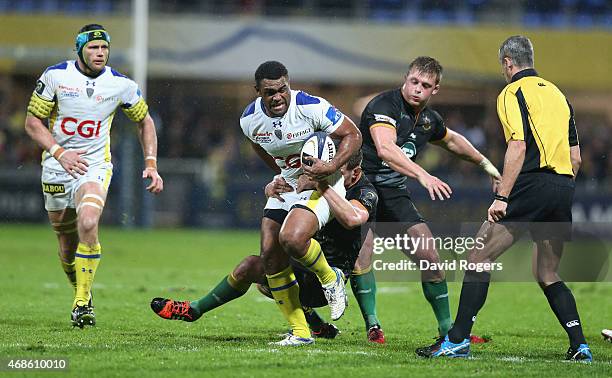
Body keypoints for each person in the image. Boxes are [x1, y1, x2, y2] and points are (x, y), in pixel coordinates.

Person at [416, 36, 592, 361]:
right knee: (548, 273)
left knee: (478, 256)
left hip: (531, 184)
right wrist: (558, 190)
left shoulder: (512, 92)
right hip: (564, 186)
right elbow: (576, 157)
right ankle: (579, 345)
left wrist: (502, 197)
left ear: (508, 63)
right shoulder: (558, 94)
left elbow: (518, 146)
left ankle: (457, 340)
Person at [150, 151, 385, 343]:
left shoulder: (364, 193)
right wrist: (273, 189)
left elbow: (353, 218)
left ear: (355, 173)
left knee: (278, 272)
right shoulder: (322, 178)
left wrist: (323, 186)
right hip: (303, 264)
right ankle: (194, 310)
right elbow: (291, 195)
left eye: (336, 172)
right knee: (253, 266)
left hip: (326, 282)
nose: (328, 174)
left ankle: (352, 321)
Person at [24, 24, 163, 328]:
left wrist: (150, 163)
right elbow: (33, 123)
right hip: (57, 165)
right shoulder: (55, 76)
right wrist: (61, 153)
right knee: (65, 241)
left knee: (89, 221)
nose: (100, 53)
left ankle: (81, 302)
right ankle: (81, 292)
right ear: (80, 49)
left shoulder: (121, 84)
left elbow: (144, 121)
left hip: (94, 165)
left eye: (104, 48)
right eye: (93, 48)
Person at [358, 56, 501, 337]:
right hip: (360, 189)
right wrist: (422, 175)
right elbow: (385, 148)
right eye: (413, 81)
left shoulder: (427, 120)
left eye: (425, 85)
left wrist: (487, 165)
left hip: (393, 194)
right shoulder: (383, 106)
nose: (417, 89)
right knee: (363, 255)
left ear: (435, 90)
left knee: (430, 257)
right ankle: (373, 325)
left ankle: (447, 329)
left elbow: (451, 140)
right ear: (405, 78)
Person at [237, 61, 362, 346]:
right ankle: (301, 333)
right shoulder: (249, 120)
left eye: (283, 89)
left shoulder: (311, 106)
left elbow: (354, 135)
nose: (278, 96)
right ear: (258, 92)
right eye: (270, 92)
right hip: (289, 185)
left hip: (323, 183)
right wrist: (280, 173)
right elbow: (257, 143)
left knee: (291, 239)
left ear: (289, 84)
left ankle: (331, 280)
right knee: (270, 256)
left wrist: (328, 167)